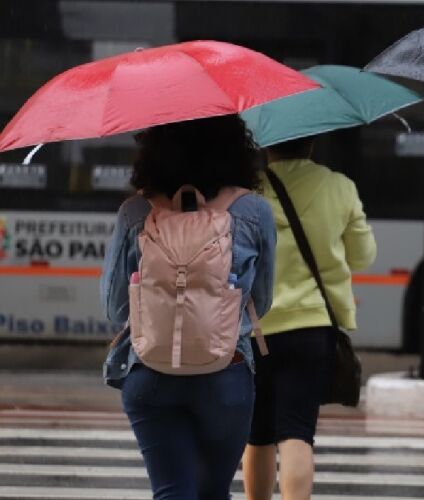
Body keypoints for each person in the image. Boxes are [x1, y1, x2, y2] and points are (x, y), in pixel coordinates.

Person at [101, 114, 276, 500]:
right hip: (226, 374)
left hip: (149, 372)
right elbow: (260, 301)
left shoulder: (135, 212)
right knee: (212, 492)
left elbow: (116, 309)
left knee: (172, 491)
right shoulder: (253, 213)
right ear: (234, 144)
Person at [242, 136, 377, 500]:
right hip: (313, 327)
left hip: (257, 328)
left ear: (267, 146)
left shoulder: (248, 192)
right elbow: (363, 256)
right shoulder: (339, 186)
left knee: (258, 433)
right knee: (297, 432)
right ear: (313, 144)